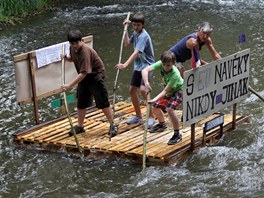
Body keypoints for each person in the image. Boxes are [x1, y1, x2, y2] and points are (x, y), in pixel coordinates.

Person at [61, 29, 117, 137]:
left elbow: (84, 72)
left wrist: (69, 85)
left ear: (82, 41)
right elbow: (73, 58)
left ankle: (112, 124)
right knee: (81, 102)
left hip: (95, 76)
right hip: (85, 77)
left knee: (102, 102)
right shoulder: (72, 48)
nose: (75, 46)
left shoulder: (85, 51)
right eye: (72, 44)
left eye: (77, 43)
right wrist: (66, 58)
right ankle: (80, 126)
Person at [116, 12, 156, 128]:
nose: (136, 27)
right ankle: (138, 116)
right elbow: (127, 44)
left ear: (142, 25)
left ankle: (151, 116)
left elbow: (136, 52)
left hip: (147, 66)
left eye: (138, 25)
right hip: (138, 66)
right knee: (132, 90)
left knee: (143, 90)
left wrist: (125, 64)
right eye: (134, 25)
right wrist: (126, 30)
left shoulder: (143, 36)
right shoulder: (135, 33)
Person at [142, 51, 183, 145]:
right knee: (155, 106)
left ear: (173, 63)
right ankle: (162, 124)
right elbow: (144, 71)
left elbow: (165, 91)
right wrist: (146, 83)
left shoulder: (175, 74)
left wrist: (153, 99)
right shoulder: (161, 63)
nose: (165, 67)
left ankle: (177, 134)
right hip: (169, 91)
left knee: (169, 109)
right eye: (164, 65)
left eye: (168, 65)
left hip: (179, 91)